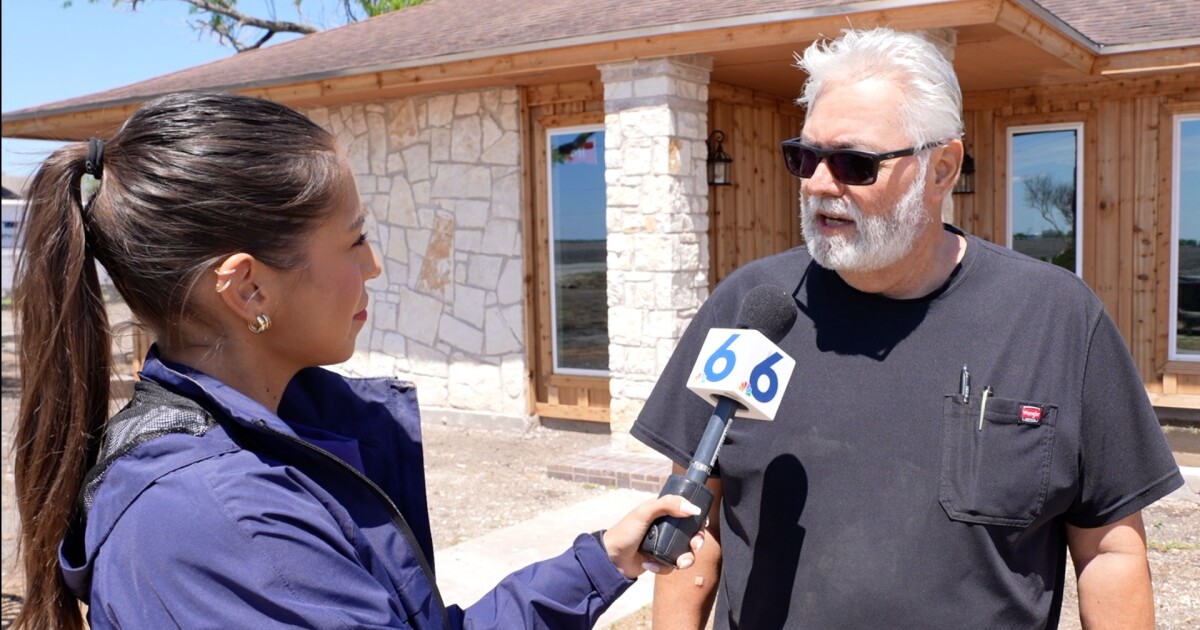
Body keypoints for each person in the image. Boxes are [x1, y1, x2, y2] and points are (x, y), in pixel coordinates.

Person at [11, 91, 703, 630]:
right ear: (248, 286)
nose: (373, 264)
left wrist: (600, 562)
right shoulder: (228, 523)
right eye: (353, 241)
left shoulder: (277, 447)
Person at [631, 27, 1184, 629]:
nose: (819, 183)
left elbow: (1109, 549)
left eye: (853, 163)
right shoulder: (752, 305)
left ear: (942, 168)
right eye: (804, 157)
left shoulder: (1057, 317)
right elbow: (693, 522)